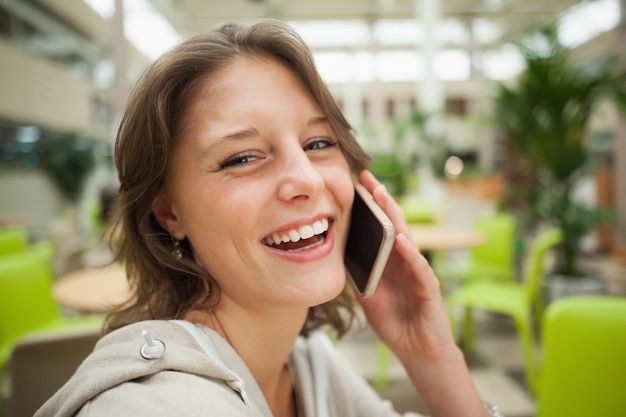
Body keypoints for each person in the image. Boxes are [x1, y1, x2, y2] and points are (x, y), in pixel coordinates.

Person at [36, 19, 500, 417]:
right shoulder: (156, 406)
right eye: (242, 158)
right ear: (168, 212)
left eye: (319, 144)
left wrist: (432, 357)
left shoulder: (306, 361)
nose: (308, 180)